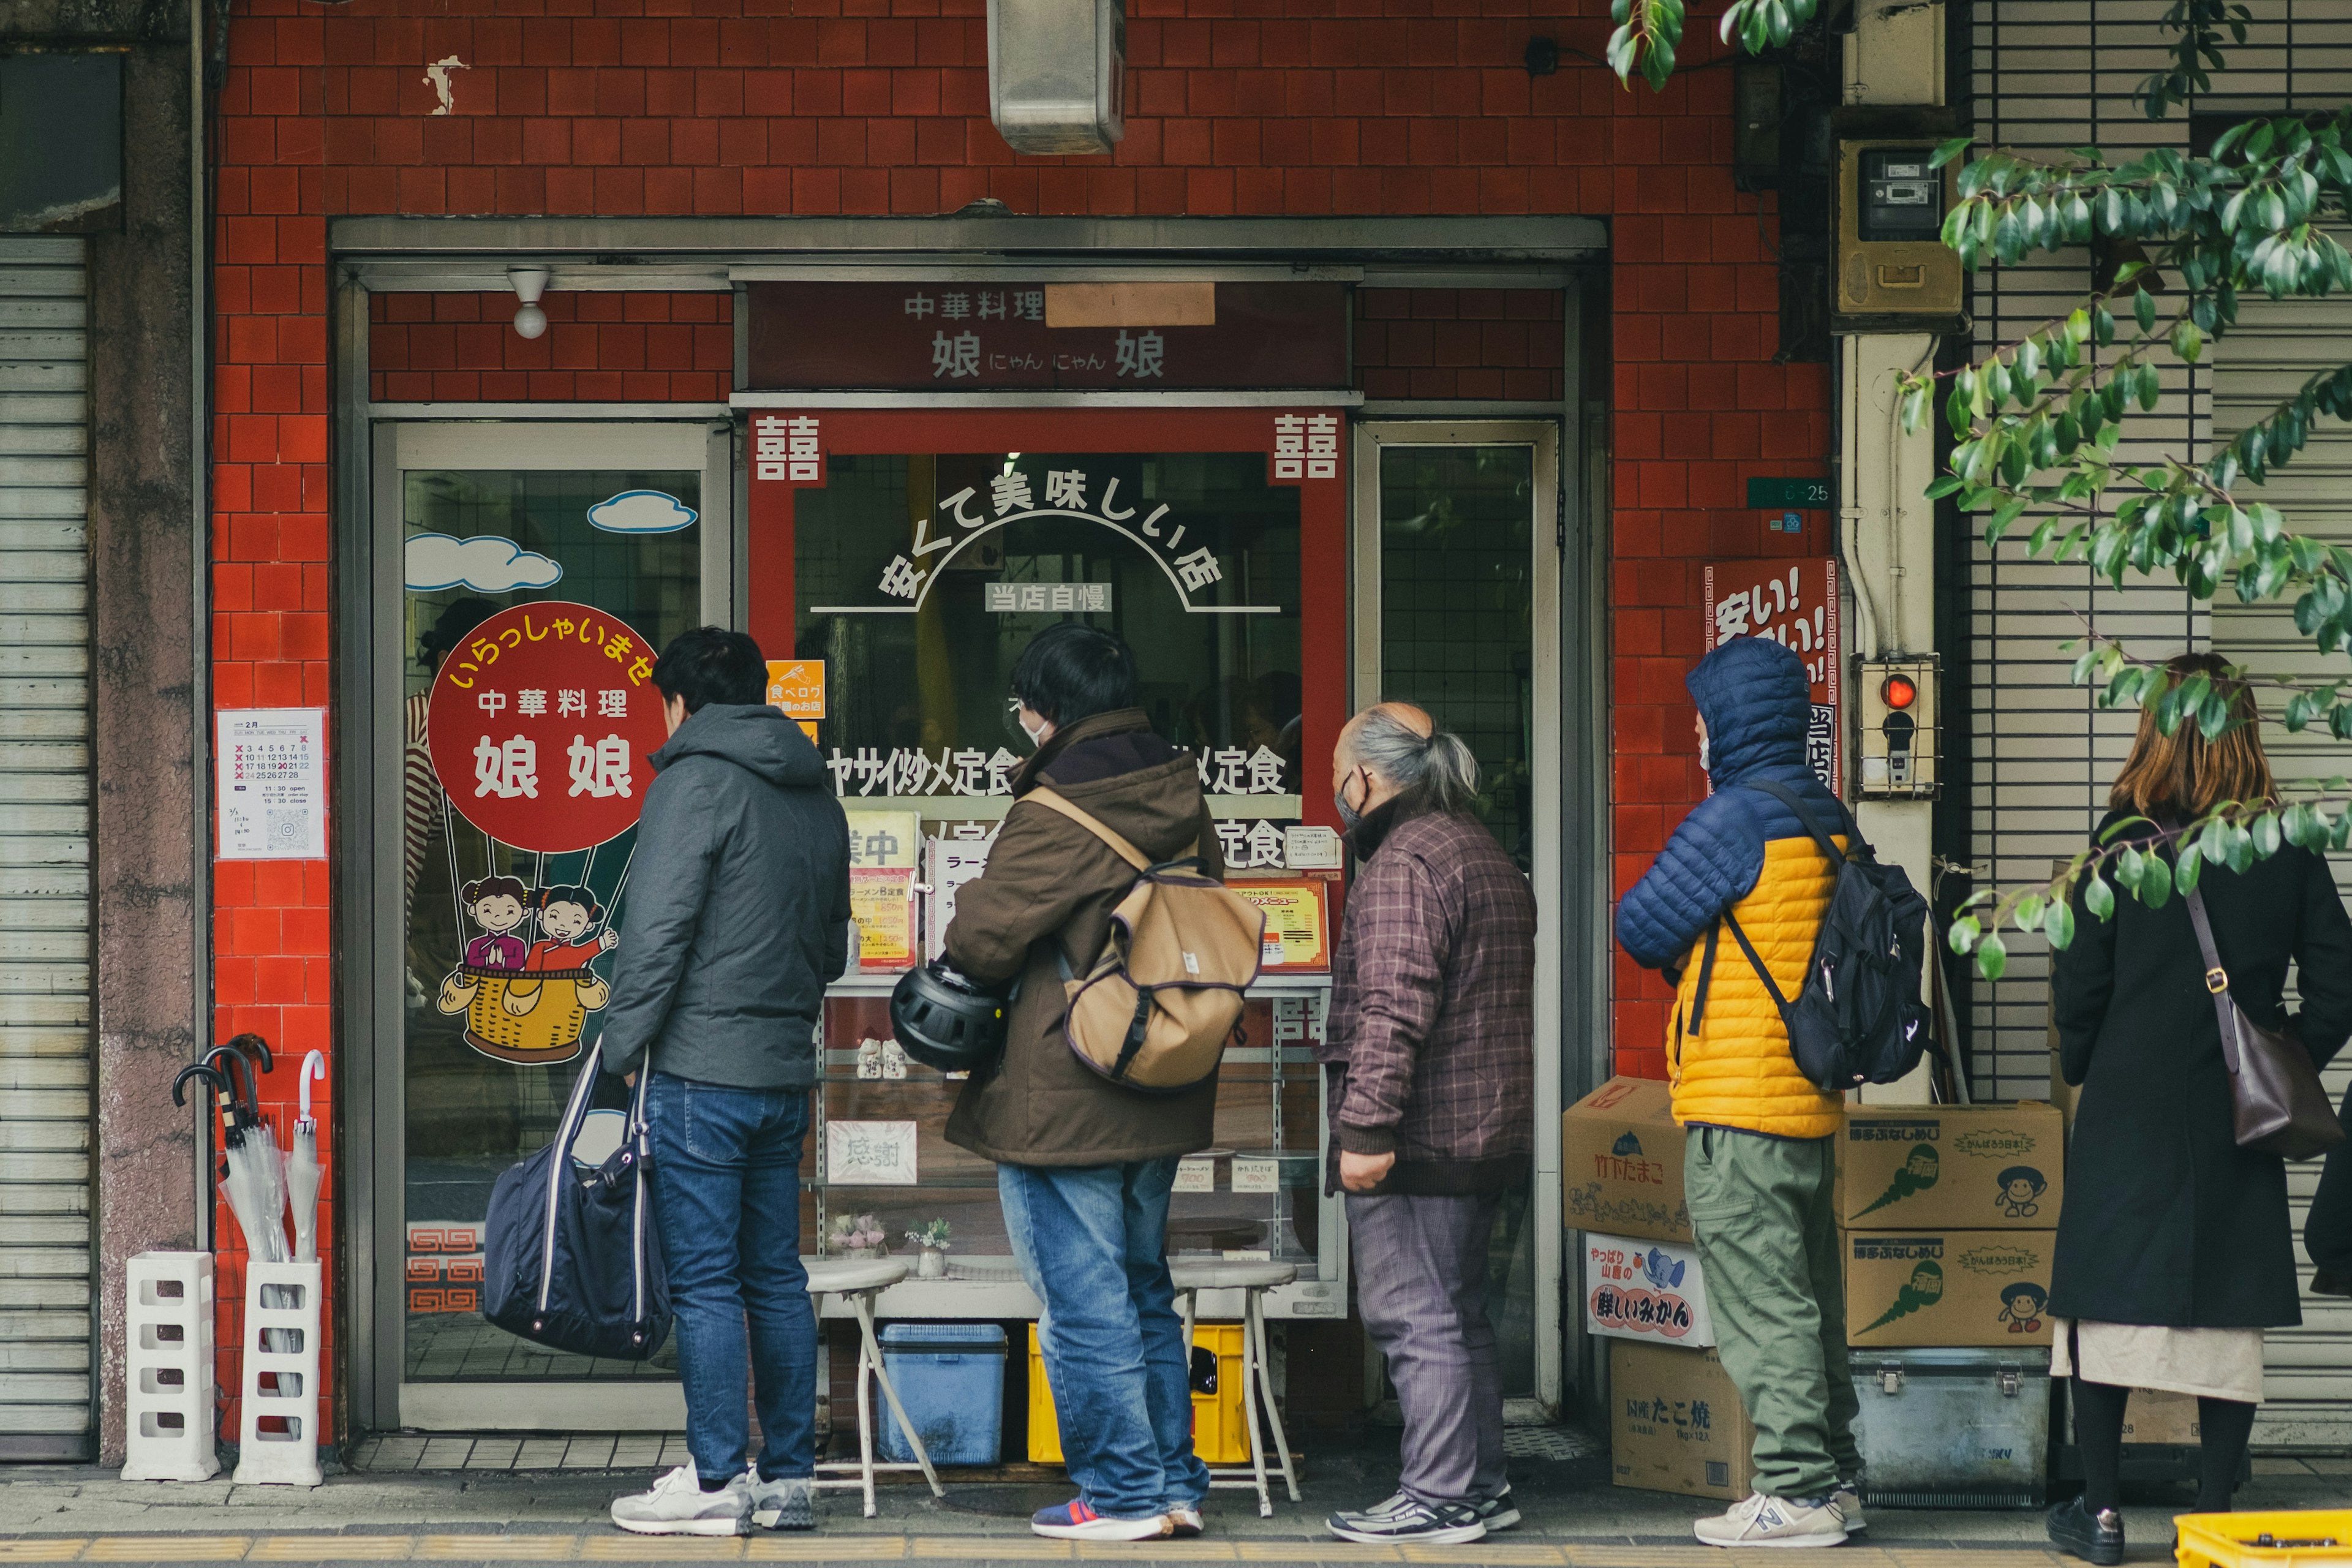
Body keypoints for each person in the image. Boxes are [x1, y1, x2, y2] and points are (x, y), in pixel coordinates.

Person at [2046, 652, 2352, 1562]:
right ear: (2247, 732)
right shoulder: (2284, 842)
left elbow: (2079, 982)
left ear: (2154, 726)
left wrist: (2086, 1061)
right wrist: (2285, 1054)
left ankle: (2102, 1517)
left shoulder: (2121, 839)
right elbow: (2341, 983)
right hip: (2238, 1108)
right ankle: (2213, 1514)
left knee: (2105, 1307)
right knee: (2229, 1307)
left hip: (2128, 1104)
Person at [941, 624, 1219, 1543]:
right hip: (1165, 1074)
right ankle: (1175, 1483)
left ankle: (1124, 1494)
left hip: (1069, 1091)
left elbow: (983, 938)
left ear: (1044, 711)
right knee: (1142, 1287)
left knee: (1083, 1301)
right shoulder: (1181, 789)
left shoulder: (1057, 807)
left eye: (1024, 706)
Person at [600, 627, 852, 1538]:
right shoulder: (815, 792)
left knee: (707, 1284)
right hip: (783, 1070)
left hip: (702, 1070)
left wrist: (619, 1049)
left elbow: (657, 934)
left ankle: (716, 1479)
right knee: (775, 1276)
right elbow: (832, 946)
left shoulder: (691, 782)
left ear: (679, 703)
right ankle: (787, 1481)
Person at [1614, 635, 1863, 1550]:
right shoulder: (1825, 811)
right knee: (1812, 1298)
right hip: (1803, 1098)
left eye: (1702, 716)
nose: (1696, 733)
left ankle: (1794, 1492)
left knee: (1765, 1305)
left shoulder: (1735, 818)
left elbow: (1639, 926)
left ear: (1728, 721)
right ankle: (1836, 1477)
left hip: (1739, 1099)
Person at [1317, 703, 1537, 1547]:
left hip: (1423, 1134)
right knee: (1458, 1312)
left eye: (1339, 770)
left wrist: (1364, 1132)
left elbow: (1393, 1009)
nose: (1337, 789)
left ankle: (1439, 1494)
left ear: (1366, 778)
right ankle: (1480, 1485)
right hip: (1484, 1126)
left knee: (1415, 1315)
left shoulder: (1406, 860)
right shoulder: (1479, 849)